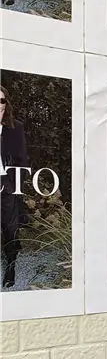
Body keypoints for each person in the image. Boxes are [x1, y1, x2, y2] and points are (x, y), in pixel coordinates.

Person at [0, 85, 29, 289]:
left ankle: (11, 267)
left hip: (6, 183)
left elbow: (22, 159)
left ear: (6, 103)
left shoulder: (15, 127)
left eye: (1, 100)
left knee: (10, 228)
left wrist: (16, 186)